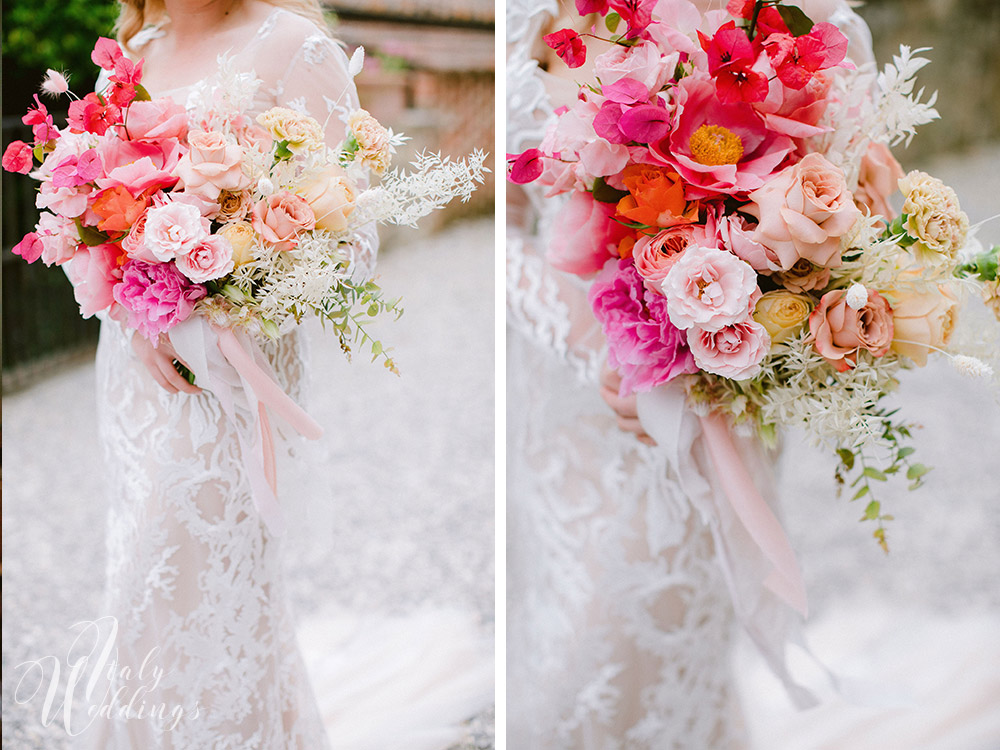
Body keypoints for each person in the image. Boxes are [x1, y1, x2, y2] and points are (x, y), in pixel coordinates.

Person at [505, 1, 873, 747]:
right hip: (570, 393)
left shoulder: (806, 21)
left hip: (717, 378)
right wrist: (603, 350)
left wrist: (744, 327)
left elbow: (861, 216)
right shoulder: (528, 16)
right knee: (575, 626)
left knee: (670, 609)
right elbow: (508, 230)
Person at [76, 1, 376, 746]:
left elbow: (355, 236)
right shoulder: (134, 47)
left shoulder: (296, 48)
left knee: (191, 567)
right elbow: (99, 211)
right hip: (132, 369)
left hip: (227, 379)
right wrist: (132, 301)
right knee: (140, 566)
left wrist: (211, 295)